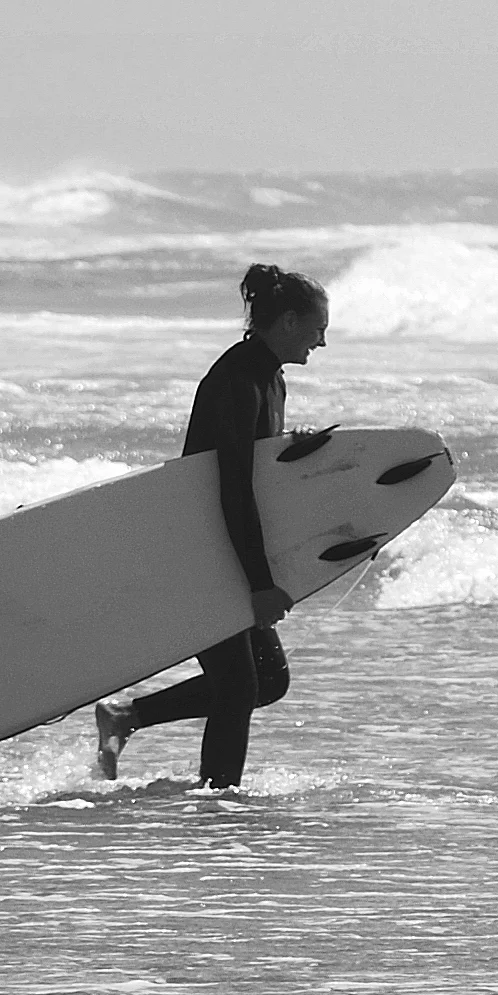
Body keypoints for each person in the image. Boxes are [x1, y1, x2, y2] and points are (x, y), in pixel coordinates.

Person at [93, 262, 330, 788]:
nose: (321, 341)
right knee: (240, 685)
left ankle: (126, 717)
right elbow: (233, 488)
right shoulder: (237, 380)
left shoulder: (269, 378)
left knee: (267, 679)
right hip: (199, 550)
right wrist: (260, 584)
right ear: (289, 321)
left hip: (222, 546)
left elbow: (257, 471)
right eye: (318, 329)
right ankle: (217, 808)